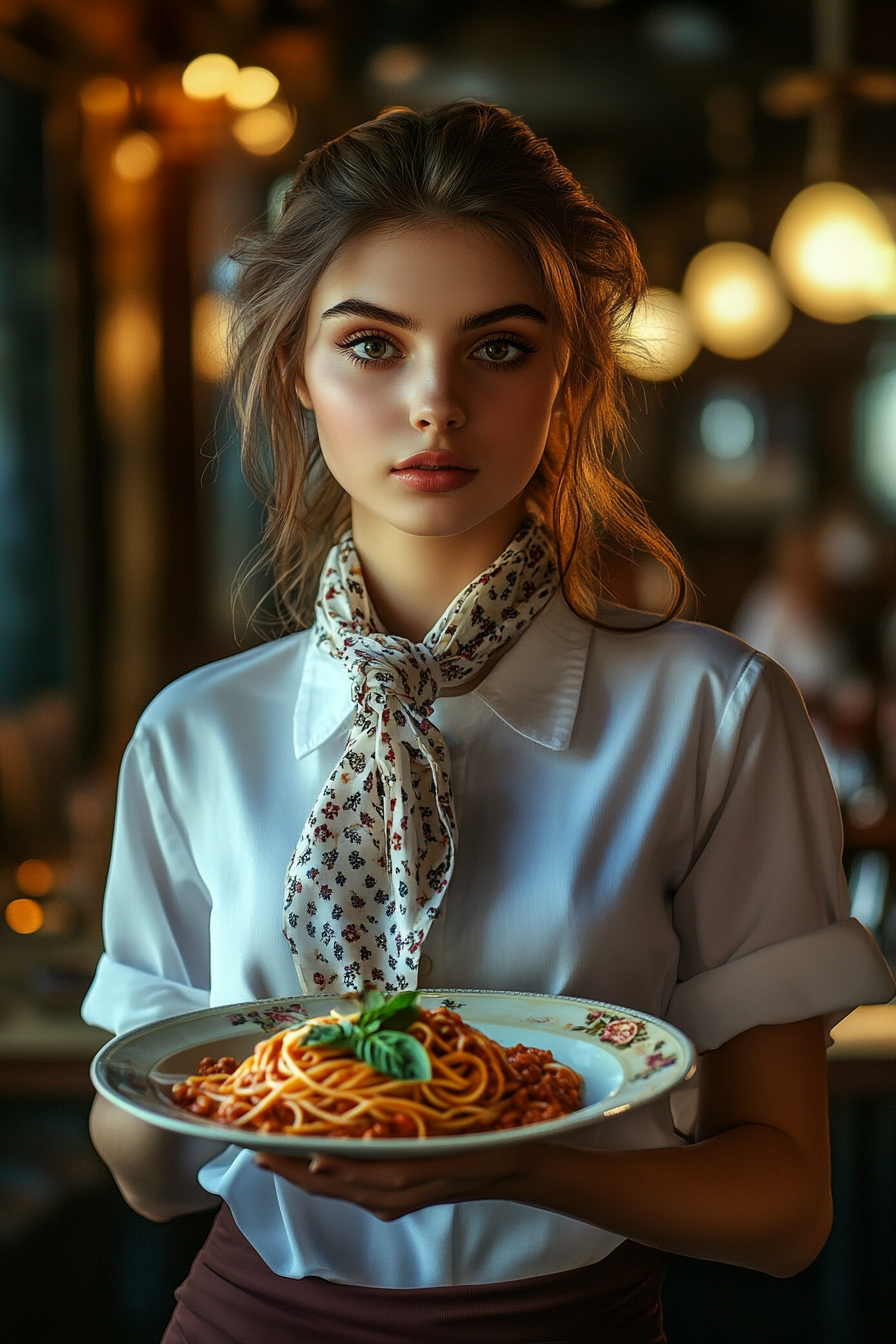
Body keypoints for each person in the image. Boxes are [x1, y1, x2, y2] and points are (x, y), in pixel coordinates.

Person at [83, 102, 895, 1344]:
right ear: (295, 367)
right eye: (370, 345)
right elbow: (144, 1179)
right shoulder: (196, 732)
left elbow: (784, 1211)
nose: (433, 403)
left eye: (498, 349)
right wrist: (249, 1073)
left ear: (566, 374)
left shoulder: (714, 712)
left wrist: (503, 1161)